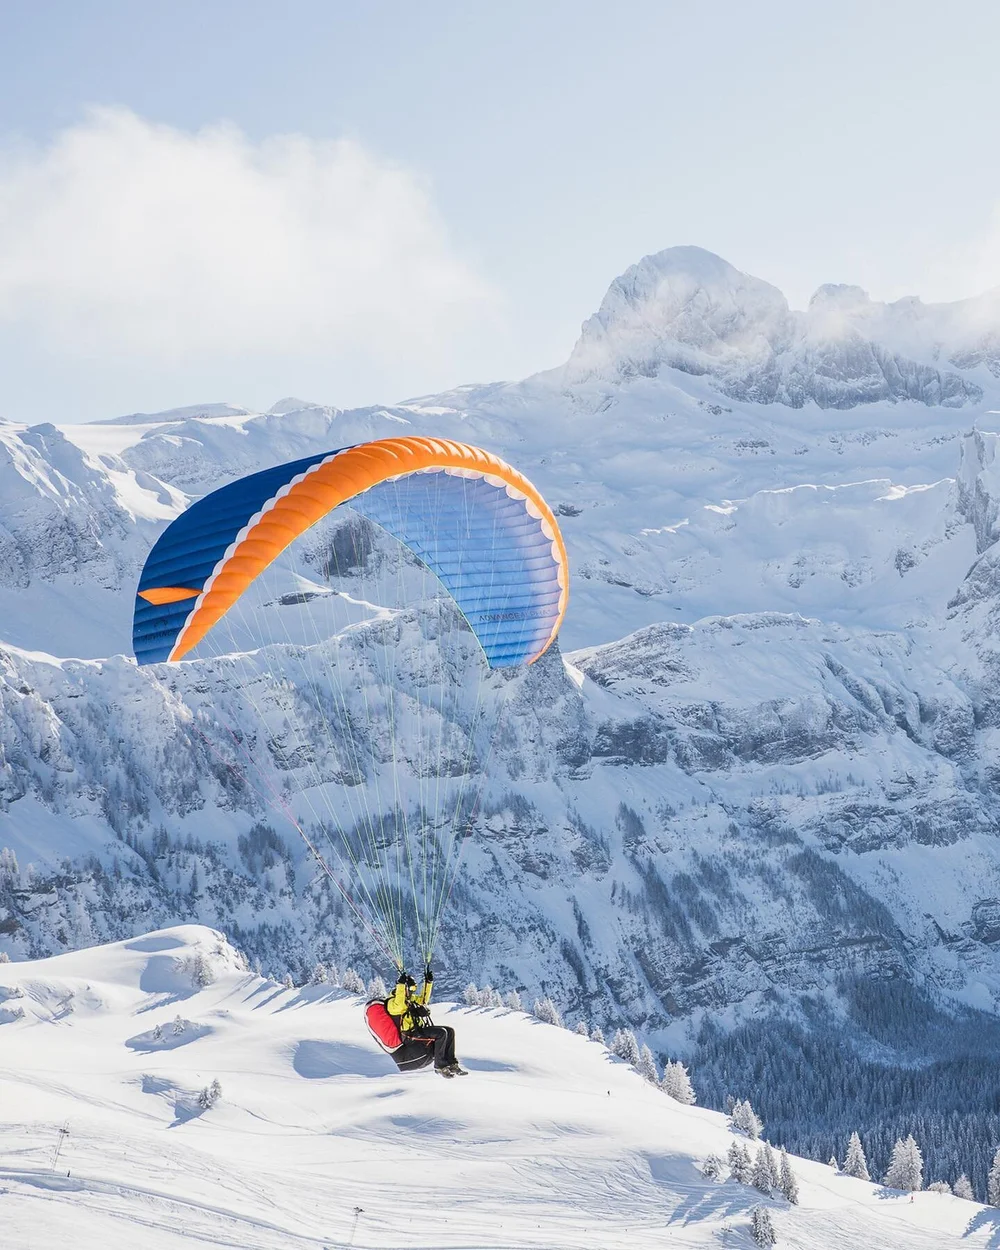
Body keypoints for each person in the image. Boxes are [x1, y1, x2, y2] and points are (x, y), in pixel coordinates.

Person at [386, 965, 467, 1078]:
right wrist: (400, 985)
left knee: (450, 1031)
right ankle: (440, 1066)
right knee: (441, 1033)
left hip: (418, 1030)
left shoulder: (409, 999)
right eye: (410, 990)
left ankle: (452, 1063)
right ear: (404, 990)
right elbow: (399, 1006)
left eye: (414, 990)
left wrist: (428, 983)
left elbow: (423, 1000)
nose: (412, 993)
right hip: (409, 1035)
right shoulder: (392, 1003)